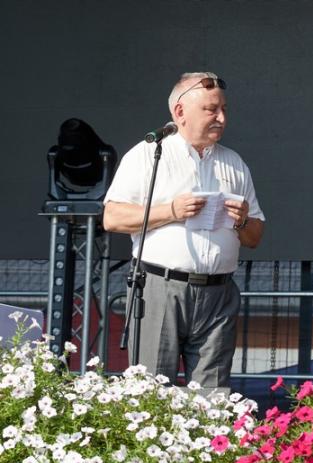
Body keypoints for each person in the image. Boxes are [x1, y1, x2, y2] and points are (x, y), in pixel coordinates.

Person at [103, 71, 264, 388]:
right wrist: (172, 211)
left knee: (212, 395)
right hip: (161, 286)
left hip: (219, 292)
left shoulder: (234, 163)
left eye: (224, 109)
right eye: (211, 109)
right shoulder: (149, 154)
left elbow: (255, 237)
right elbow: (112, 217)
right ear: (180, 112)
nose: (221, 118)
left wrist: (243, 220)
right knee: (152, 389)